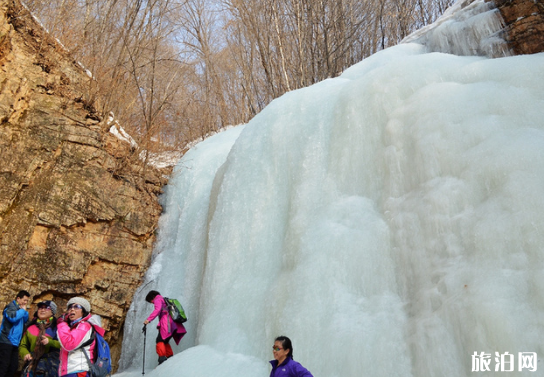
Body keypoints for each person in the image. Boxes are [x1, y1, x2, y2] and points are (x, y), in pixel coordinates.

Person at [57, 297, 105, 377]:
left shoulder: (84, 326)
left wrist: (62, 324)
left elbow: (69, 344)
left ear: (84, 311)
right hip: (69, 372)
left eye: (76, 307)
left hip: (79, 371)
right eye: (70, 307)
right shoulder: (72, 327)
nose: (72, 309)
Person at [143, 290, 186, 365]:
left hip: (166, 322)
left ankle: (162, 359)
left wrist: (148, 320)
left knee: (160, 340)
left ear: (152, 297)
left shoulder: (157, 299)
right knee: (165, 341)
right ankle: (170, 358)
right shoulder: (163, 299)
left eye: (150, 301)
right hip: (172, 323)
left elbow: (157, 310)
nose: (151, 302)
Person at [19, 300, 61, 377]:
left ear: (52, 312)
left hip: (50, 367)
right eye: (40, 308)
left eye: (46, 308)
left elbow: (64, 345)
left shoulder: (57, 328)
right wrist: (25, 353)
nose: (42, 310)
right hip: (32, 364)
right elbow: (23, 345)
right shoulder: (31, 327)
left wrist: (50, 342)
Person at [0, 290, 31, 377]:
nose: (25, 302)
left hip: (15, 342)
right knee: (3, 366)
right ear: (18, 298)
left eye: (27, 301)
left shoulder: (20, 309)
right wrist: (22, 311)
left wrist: (24, 312)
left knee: (13, 366)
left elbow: (25, 321)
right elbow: (12, 318)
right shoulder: (11, 307)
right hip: (6, 341)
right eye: (24, 300)